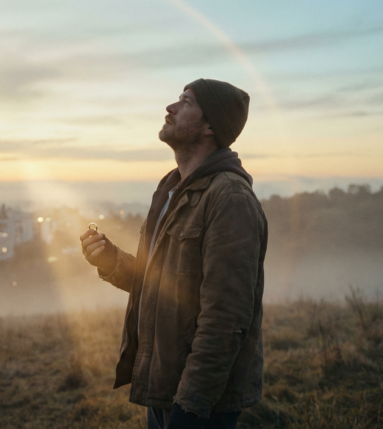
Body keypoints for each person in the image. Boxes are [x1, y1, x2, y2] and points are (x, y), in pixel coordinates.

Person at [80, 79, 268, 429]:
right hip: (166, 389)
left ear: (211, 126)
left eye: (185, 102)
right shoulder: (171, 190)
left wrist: (191, 406)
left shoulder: (230, 199)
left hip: (201, 403)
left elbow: (226, 318)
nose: (171, 107)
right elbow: (164, 285)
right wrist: (112, 261)